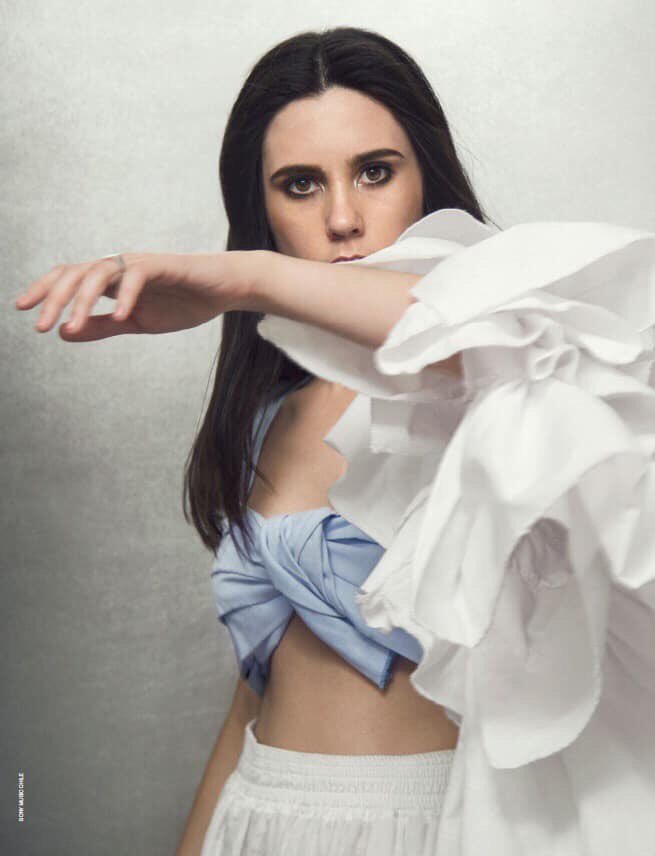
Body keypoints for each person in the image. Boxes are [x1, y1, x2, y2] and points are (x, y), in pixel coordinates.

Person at [14, 25, 655, 856]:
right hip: (260, 812)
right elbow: (256, 692)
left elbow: (503, 341)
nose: (343, 218)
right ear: (263, 209)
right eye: (300, 185)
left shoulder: (491, 382)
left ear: (426, 179)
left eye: (375, 172)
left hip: (430, 824)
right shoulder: (267, 416)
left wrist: (243, 277)